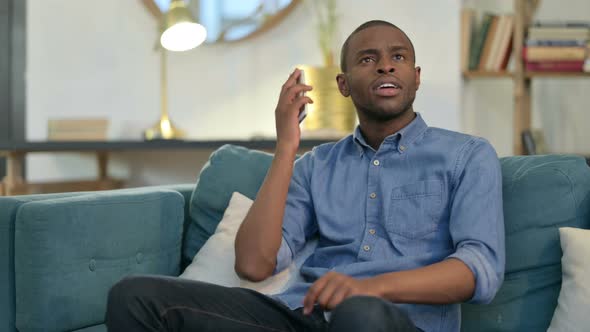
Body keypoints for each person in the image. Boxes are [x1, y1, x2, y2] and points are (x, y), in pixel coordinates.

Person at [106, 20, 505, 332]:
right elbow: (253, 263)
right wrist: (285, 147)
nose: (385, 64)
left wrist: (369, 289)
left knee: (361, 315)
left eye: (398, 57)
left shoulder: (466, 155)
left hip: (396, 323)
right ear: (343, 85)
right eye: (368, 59)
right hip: (302, 317)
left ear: (415, 77)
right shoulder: (317, 165)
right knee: (134, 296)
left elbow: (479, 269)